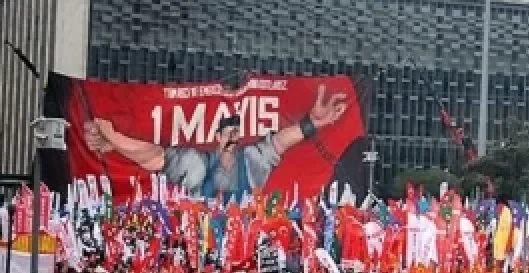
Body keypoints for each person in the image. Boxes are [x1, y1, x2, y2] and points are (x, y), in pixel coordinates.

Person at [83, 84, 349, 198]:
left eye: (236, 133)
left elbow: (280, 141)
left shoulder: (253, 162)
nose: (232, 138)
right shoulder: (196, 164)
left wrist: (313, 123)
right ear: (217, 138)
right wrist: (115, 139)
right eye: (227, 133)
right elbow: (153, 156)